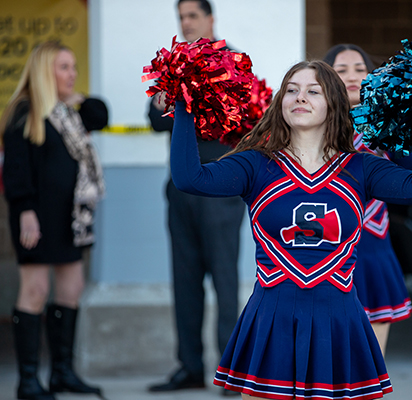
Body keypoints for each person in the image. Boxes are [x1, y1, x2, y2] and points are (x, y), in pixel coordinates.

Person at [169, 60, 412, 399]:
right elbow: (190, 178)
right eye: (291, 90)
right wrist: (183, 106)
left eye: (313, 91)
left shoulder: (360, 167)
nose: (300, 97)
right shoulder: (256, 164)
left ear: (334, 103)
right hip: (272, 320)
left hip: (339, 321)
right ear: (280, 102)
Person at [147, 0, 245, 394]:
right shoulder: (172, 64)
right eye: (181, 18)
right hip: (181, 189)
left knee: (224, 280)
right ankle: (189, 366)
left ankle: (230, 371)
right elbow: (154, 119)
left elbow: (244, 118)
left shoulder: (233, 62)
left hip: (221, 189)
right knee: (184, 281)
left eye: (192, 16)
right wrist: (171, 94)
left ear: (210, 19)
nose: (186, 23)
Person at [0, 41, 107, 400]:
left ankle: (63, 373)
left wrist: (74, 96)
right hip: (35, 214)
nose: (72, 73)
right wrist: (26, 212)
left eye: (73, 66)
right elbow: (15, 171)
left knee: (71, 289)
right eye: (63, 67)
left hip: (69, 217)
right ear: (45, 71)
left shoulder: (67, 113)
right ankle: (28, 381)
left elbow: (100, 115)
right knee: (35, 290)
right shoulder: (24, 112)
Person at [323, 44, 412, 355]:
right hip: (321, 254)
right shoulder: (311, 126)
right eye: (342, 69)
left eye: (360, 70)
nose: (352, 77)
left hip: (372, 249)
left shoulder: (387, 124)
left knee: (369, 369)